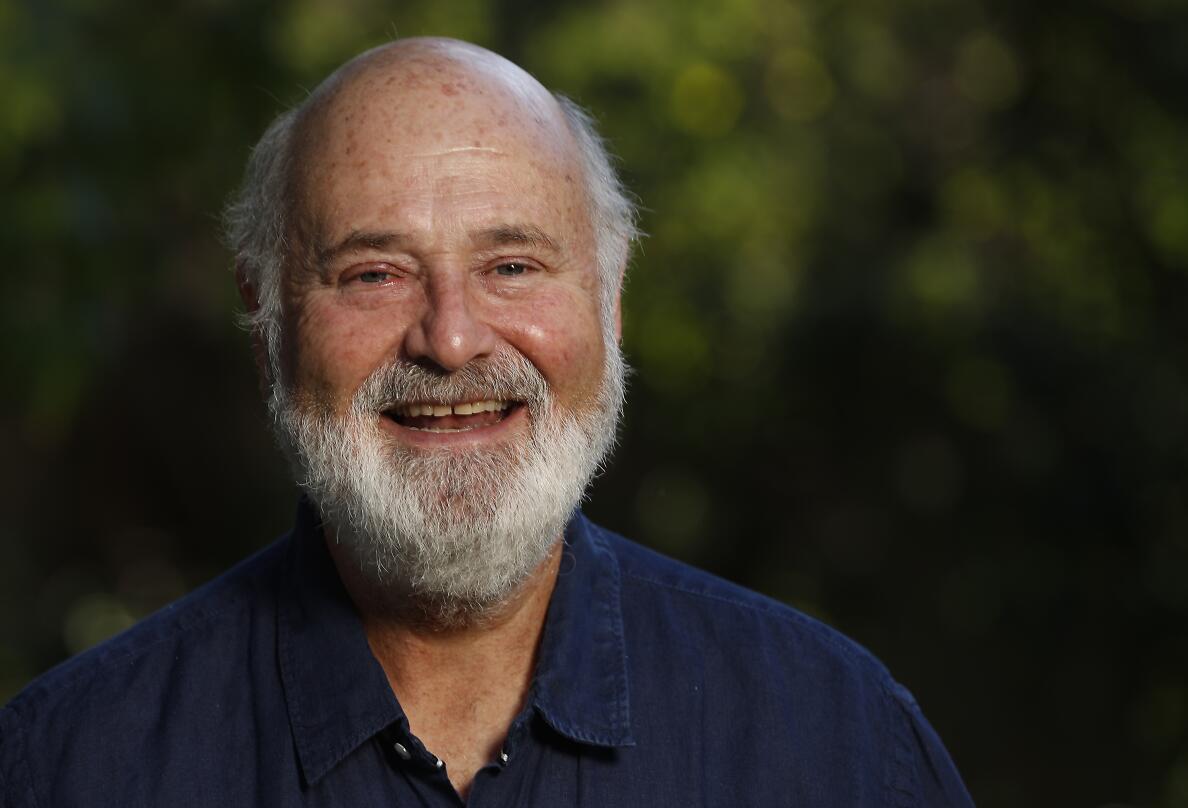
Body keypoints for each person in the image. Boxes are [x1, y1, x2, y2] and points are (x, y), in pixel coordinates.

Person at [0, 38, 973, 806]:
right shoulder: (65, 769)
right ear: (268, 323)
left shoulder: (840, 745)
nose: (452, 339)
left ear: (610, 300)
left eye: (511, 265)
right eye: (374, 272)